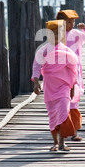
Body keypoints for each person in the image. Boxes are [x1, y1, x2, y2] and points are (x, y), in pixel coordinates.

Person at [31, 20, 79, 151]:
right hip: (49, 87)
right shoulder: (44, 51)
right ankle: (55, 142)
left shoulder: (67, 51)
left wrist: (73, 88)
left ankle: (63, 142)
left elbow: (73, 71)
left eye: (59, 33)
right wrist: (36, 83)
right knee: (53, 115)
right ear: (48, 34)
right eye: (53, 33)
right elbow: (36, 67)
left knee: (63, 112)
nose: (56, 36)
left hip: (63, 87)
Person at [56, 9, 85, 140]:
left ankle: (74, 132)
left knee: (73, 103)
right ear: (61, 22)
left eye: (73, 21)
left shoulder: (76, 34)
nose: (72, 24)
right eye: (69, 22)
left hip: (75, 73)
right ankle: (62, 131)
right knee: (62, 102)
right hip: (60, 74)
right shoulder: (56, 36)